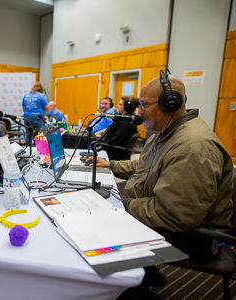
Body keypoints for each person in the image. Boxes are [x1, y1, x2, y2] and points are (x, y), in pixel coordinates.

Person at [87, 72, 233, 263]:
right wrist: (112, 164)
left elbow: (176, 215)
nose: (140, 111)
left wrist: (122, 206)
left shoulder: (192, 147)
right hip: (167, 217)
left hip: (195, 237)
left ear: (169, 103)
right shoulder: (164, 132)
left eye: (144, 105)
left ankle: (133, 287)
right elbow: (146, 165)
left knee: (103, 226)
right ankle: (146, 275)